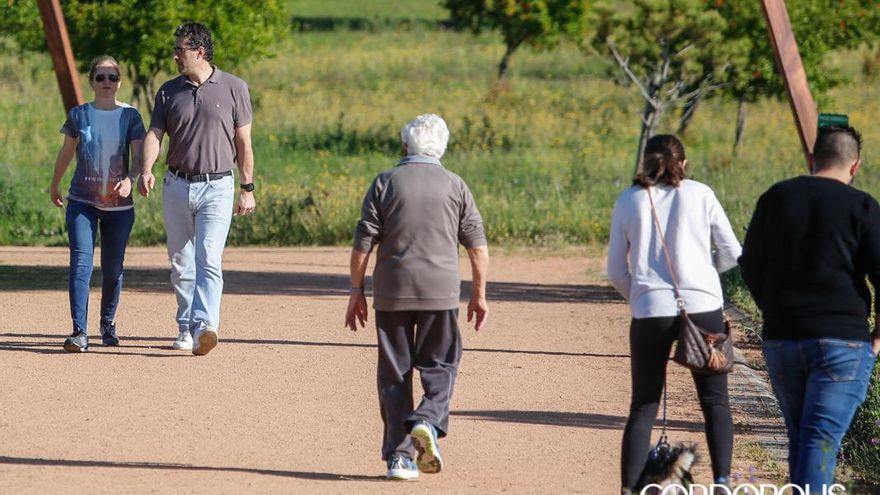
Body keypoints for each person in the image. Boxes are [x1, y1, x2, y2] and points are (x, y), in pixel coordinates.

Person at [344, 113, 489, 481]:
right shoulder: (456, 185)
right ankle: (427, 418)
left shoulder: (385, 182)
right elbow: (476, 246)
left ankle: (400, 458)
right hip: (440, 293)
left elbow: (363, 243)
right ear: (442, 146)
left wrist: (356, 291)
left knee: (394, 373)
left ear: (404, 145)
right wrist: (479, 295)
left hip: (392, 291)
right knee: (441, 365)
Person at [739, 125, 880, 492]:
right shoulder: (863, 206)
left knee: (802, 440)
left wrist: (774, 308)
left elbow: (750, 264)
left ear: (813, 158)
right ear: (855, 165)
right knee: (820, 442)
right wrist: (877, 338)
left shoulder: (776, 198)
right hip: (842, 342)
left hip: (782, 338)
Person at [607, 134, 741, 494]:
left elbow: (616, 271)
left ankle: (630, 490)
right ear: (683, 164)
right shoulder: (702, 194)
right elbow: (732, 251)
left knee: (644, 405)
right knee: (715, 402)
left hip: (650, 308)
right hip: (703, 308)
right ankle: (724, 483)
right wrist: (704, 273)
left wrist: (639, 297)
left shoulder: (630, 200)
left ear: (645, 162)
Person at [138, 21, 255, 355]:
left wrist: (247, 188)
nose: (175, 56)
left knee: (209, 257)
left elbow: (243, 142)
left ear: (199, 52)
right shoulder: (167, 91)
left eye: (180, 50)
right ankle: (186, 326)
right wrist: (146, 169)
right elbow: (155, 134)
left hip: (218, 186)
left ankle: (205, 325)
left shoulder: (234, 87)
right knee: (181, 262)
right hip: (176, 184)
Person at [50, 55, 146, 352]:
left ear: (119, 82)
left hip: (119, 206)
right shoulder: (79, 115)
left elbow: (141, 157)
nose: (107, 83)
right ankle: (79, 332)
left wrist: (131, 178)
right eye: (101, 77)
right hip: (82, 201)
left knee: (112, 268)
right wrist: (54, 184)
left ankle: (107, 323)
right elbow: (67, 153)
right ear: (91, 82)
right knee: (80, 264)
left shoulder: (130, 116)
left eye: (112, 77)